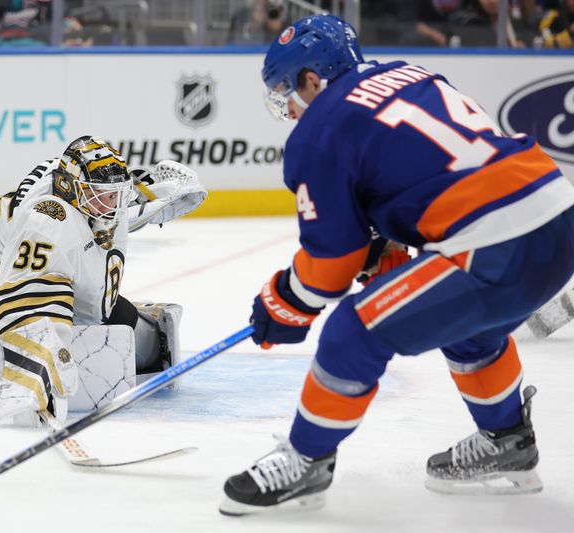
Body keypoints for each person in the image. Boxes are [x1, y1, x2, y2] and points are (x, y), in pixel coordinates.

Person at [220, 14, 574, 516]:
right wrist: (383, 239)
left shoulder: (320, 129)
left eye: (287, 91)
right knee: (469, 330)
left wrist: (285, 301)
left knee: (354, 329)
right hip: (557, 215)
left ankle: (306, 461)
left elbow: (331, 266)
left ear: (311, 79)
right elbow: (427, 171)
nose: (291, 109)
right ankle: (507, 442)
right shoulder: (409, 73)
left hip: (496, 245)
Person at [0, 136, 205, 426]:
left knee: (124, 325)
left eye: (115, 194)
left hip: (17, 273)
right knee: (59, 338)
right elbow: (29, 302)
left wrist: (162, 197)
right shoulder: (48, 219)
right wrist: (33, 378)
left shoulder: (77, 186)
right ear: (68, 188)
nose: (114, 203)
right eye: (106, 196)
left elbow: (111, 201)